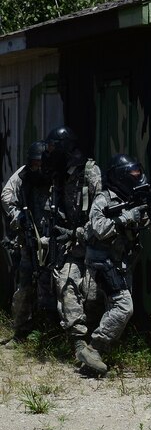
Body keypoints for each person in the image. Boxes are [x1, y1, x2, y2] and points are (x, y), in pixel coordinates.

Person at [77, 154, 151, 374]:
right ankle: (92, 350)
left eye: (138, 173)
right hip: (102, 261)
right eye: (133, 174)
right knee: (123, 306)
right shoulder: (104, 199)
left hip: (121, 262)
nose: (137, 177)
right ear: (121, 177)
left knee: (110, 308)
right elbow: (99, 229)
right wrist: (128, 216)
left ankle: (88, 359)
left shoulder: (135, 199)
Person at [41, 126, 102, 346]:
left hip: (94, 244)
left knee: (92, 294)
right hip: (71, 246)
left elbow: (100, 217)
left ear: (63, 148)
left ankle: (97, 343)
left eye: (51, 147)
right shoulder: (59, 174)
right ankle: (79, 343)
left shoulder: (89, 172)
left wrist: (77, 233)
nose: (48, 152)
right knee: (66, 284)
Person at [0, 141, 56, 347]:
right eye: (34, 163)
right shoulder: (23, 176)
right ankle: (21, 333)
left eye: (40, 163)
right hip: (30, 242)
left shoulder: (57, 175)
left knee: (52, 288)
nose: (37, 167)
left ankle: (52, 334)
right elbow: (6, 195)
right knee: (24, 288)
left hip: (55, 242)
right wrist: (18, 216)